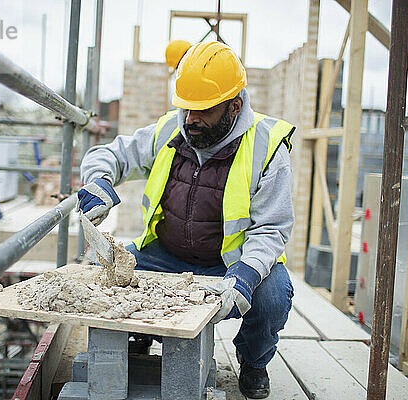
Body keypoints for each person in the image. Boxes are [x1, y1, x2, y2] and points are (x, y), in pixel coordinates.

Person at [77, 41, 295, 399]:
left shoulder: (267, 147)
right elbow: (111, 154)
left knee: (273, 296)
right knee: (109, 271)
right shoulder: (172, 130)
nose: (190, 119)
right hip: (164, 255)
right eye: (186, 108)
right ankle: (139, 336)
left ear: (234, 106)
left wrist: (245, 275)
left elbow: (271, 229)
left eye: (202, 111)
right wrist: (99, 180)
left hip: (229, 263)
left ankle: (253, 362)